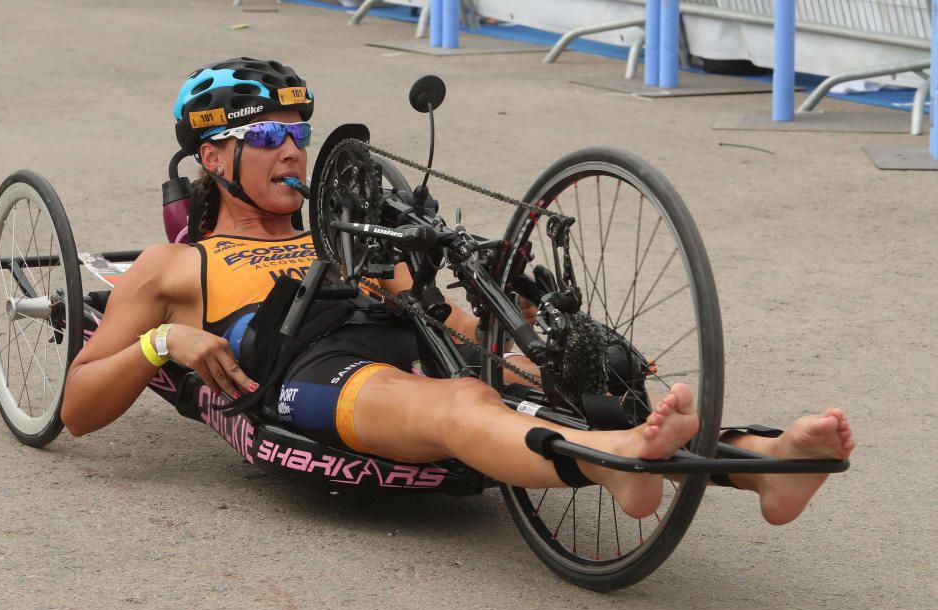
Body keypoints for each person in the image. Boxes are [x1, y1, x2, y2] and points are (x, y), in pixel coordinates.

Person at [61, 57, 854, 526]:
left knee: (567, 378)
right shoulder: (174, 267)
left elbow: (439, 311)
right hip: (314, 371)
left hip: (404, 334)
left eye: (299, 134)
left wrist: (521, 345)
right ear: (212, 158)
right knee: (461, 409)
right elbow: (78, 404)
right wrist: (168, 343)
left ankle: (766, 463)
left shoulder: (342, 224)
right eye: (267, 137)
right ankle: (616, 465)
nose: (293, 151)